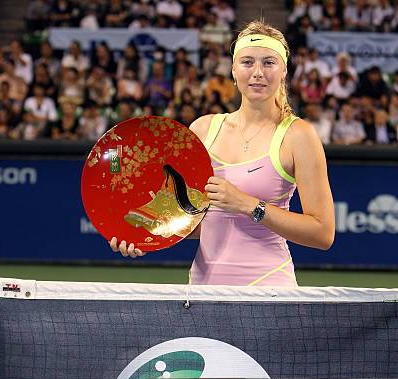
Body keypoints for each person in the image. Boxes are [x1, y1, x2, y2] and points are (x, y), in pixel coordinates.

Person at [110, 19, 335, 287]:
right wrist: (143, 235)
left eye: (268, 62)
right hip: (203, 291)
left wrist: (248, 204)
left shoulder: (299, 136)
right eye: (248, 62)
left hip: (268, 291)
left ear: (284, 70)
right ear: (233, 70)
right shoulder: (203, 129)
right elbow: (189, 220)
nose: (258, 73)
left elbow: (322, 233)